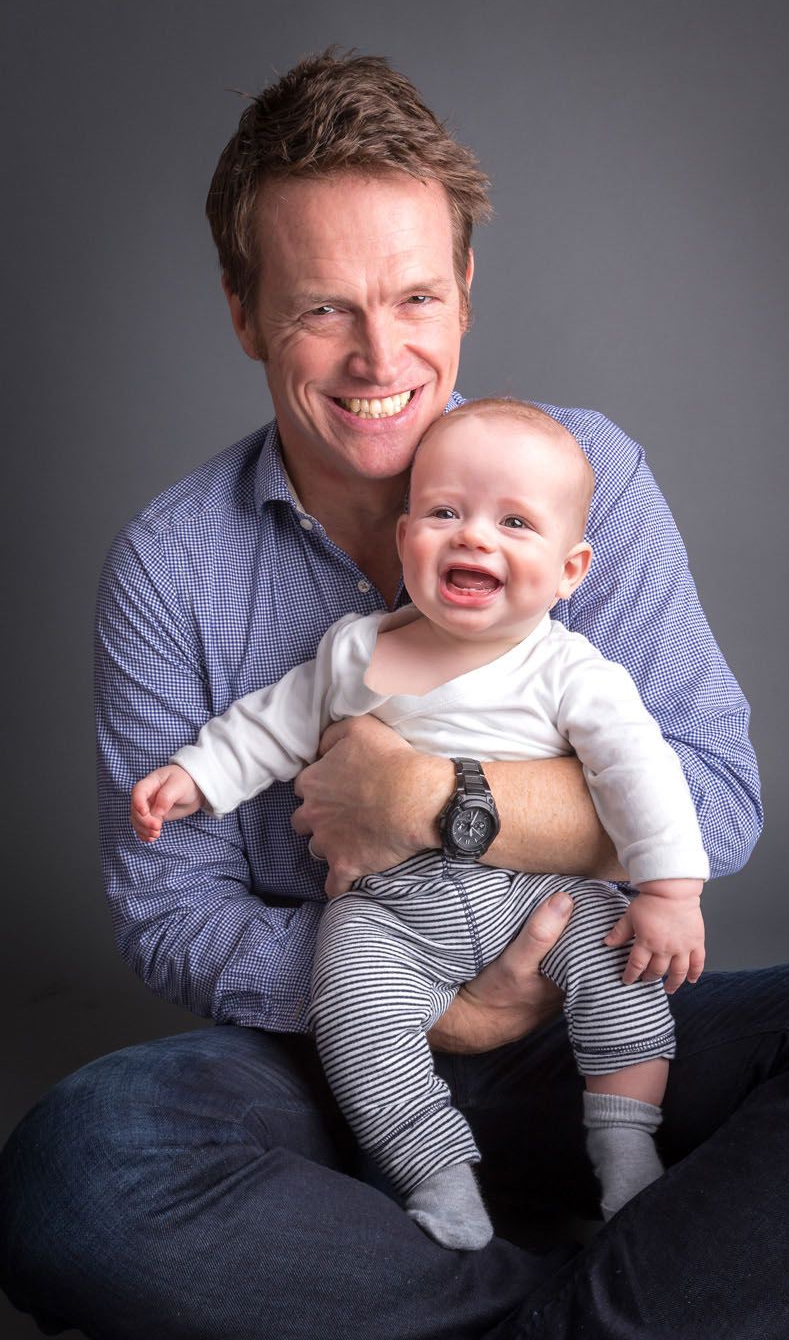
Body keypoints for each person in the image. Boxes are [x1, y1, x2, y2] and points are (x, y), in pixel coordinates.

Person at [1, 48, 789, 1340]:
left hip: (592, 1000)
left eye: (414, 295)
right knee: (75, 1173)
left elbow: (707, 793)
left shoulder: (586, 477)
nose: (379, 354)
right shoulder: (172, 562)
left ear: (465, 292)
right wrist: (423, 1003)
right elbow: (169, 907)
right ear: (244, 312)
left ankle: (524, 1301)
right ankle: (637, 1303)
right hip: (337, 1053)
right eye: (321, 308)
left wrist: (435, 801)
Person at [129, 398, 710, 1249]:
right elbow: (270, 725)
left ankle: (622, 1143)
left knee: (622, 966)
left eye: (514, 522)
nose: (474, 537)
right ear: (407, 541)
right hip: (388, 913)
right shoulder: (354, 649)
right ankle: (435, 1172)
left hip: (535, 895)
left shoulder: (570, 669)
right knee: (352, 1007)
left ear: (570, 568)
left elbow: (642, 773)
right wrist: (194, 777)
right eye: (444, 513)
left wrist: (667, 891)